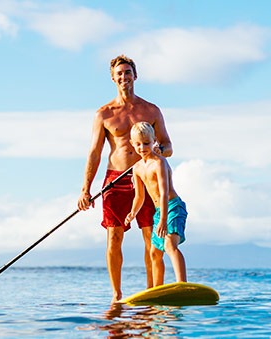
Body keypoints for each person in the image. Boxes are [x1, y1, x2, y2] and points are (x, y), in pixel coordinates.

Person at [78, 55, 173, 302]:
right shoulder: (104, 114)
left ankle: (153, 291)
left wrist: (157, 152)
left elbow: (168, 145)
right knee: (114, 236)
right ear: (113, 78)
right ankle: (117, 295)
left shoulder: (151, 110)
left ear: (135, 76)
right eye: (119, 73)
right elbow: (94, 152)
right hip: (115, 180)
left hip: (146, 177)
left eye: (128, 72)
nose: (124, 77)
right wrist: (85, 189)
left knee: (151, 235)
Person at [125, 122, 187, 287]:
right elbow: (139, 196)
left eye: (146, 143)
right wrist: (132, 213)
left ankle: (182, 284)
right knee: (154, 253)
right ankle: (157, 289)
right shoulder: (137, 168)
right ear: (132, 143)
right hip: (160, 212)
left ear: (154, 141)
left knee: (169, 245)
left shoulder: (159, 162)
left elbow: (164, 192)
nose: (142, 147)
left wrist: (163, 220)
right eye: (138, 144)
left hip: (172, 207)